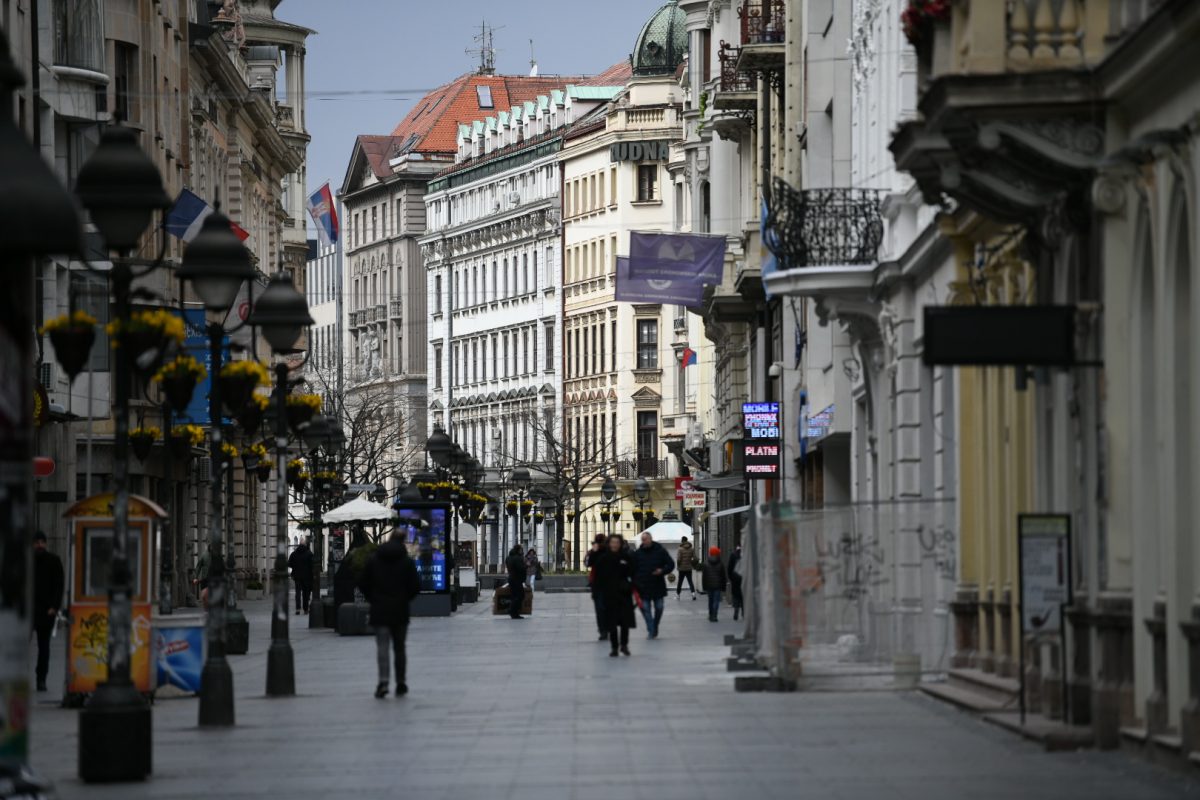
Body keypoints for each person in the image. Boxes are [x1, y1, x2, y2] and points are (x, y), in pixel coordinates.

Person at [358, 530, 420, 698]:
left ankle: (383, 682)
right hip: (400, 611)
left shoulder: (374, 560)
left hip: (380, 610)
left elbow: (363, 582)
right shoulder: (407, 562)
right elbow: (415, 586)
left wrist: (373, 598)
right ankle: (400, 682)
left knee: (383, 648)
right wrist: (405, 598)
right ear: (402, 542)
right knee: (399, 648)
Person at [592, 534, 636, 656]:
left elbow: (633, 572)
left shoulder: (625, 557)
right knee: (612, 623)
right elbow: (597, 575)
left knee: (624, 623)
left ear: (620, 544)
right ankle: (614, 647)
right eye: (613, 542)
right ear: (609, 544)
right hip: (609, 594)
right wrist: (597, 592)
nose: (615, 545)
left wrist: (631, 585)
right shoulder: (604, 558)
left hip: (624, 594)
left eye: (617, 542)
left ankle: (624, 645)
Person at [31, 532, 64, 692]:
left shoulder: (54, 561)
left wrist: (54, 607)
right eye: (36, 542)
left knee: (44, 648)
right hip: (29, 611)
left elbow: (59, 586)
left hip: (46, 611)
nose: (39, 545)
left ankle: (41, 679)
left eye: (42, 542)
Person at [632, 531, 675, 639]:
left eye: (645, 539)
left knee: (659, 607)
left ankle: (655, 625)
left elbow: (671, 564)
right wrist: (636, 582)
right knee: (645, 609)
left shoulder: (660, 551)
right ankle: (651, 630)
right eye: (642, 540)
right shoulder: (638, 553)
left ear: (651, 539)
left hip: (657, 585)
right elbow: (633, 570)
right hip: (643, 586)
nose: (644, 541)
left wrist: (662, 571)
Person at [584, 534, 608, 640]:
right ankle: (603, 629)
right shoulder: (594, 552)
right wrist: (592, 552)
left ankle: (605, 628)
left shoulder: (610, 551)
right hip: (598, 586)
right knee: (600, 608)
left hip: (609, 585)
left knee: (605, 609)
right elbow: (587, 563)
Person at [288, 538, 314, 615]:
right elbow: (312, 565)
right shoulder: (309, 553)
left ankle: (298, 609)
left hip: (297, 576)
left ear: (299, 544)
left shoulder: (294, 553)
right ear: (305, 544)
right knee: (306, 593)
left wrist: (295, 568)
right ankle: (306, 609)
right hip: (307, 576)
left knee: (298, 592)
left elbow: (289, 564)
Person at [702, 546, 728, 622]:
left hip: (709, 586)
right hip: (717, 585)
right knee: (716, 601)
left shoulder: (706, 563)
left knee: (710, 600)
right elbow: (723, 576)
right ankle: (714, 616)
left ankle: (710, 615)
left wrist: (704, 586)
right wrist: (724, 587)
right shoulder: (720, 563)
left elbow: (704, 577)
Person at [505, 544, 527, 619]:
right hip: (517, 579)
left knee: (514, 596)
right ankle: (512, 610)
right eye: (521, 549)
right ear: (518, 550)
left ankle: (514, 613)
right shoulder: (517, 558)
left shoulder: (508, 558)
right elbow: (520, 568)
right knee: (520, 595)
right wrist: (526, 565)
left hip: (511, 578)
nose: (522, 551)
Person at [675, 535, 697, 601]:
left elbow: (678, 559)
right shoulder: (691, 548)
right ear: (687, 540)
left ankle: (678, 595)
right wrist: (692, 563)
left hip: (681, 568)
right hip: (689, 568)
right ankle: (693, 594)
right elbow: (695, 558)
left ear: (682, 541)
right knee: (690, 581)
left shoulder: (680, 549)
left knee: (680, 582)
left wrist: (678, 566)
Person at [728, 545, 744, 621]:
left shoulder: (733, 555)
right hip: (744, 578)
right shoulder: (744, 554)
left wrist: (731, 578)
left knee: (735, 596)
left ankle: (736, 611)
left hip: (735, 579)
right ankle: (744, 612)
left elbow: (729, 568)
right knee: (743, 596)